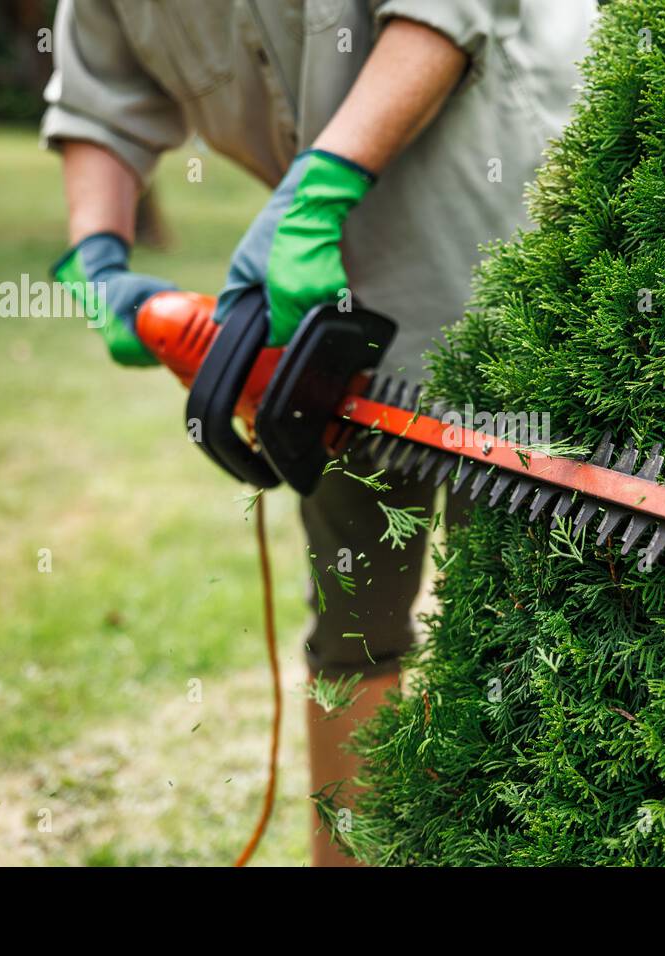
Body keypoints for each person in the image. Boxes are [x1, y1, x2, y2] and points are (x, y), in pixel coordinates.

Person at [41, 0, 595, 865]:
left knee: (523, 625)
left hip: (509, 247)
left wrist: (321, 182)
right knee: (351, 628)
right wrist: (97, 256)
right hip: (328, 303)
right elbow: (95, 106)